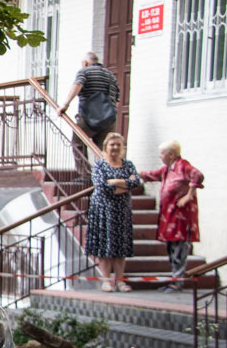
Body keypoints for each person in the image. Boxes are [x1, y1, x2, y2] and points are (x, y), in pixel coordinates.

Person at [138, 140, 204, 292]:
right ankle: (175, 280)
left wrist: (189, 196)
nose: (160, 156)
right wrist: (136, 173)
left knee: (180, 250)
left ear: (171, 154)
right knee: (171, 248)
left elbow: (198, 175)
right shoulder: (168, 169)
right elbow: (153, 175)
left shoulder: (183, 166)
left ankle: (177, 283)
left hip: (182, 219)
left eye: (162, 153)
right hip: (169, 217)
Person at [84, 133, 142, 292]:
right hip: (103, 210)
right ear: (105, 147)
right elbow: (102, 186)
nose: (115, 147)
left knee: (120, 247)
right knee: (105, 246)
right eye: (112, 145)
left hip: (122, 210)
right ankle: (106, 281)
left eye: (118, 144)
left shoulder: (128, 164)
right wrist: (125, 185)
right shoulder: (100, 165)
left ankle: (121, 281)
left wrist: (115, 182)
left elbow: (136, 182)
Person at [58, 52, 120, 174]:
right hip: (109, 118)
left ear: (85, 63)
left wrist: (65, 105)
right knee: (104, 148)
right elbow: (116, 100)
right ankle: (106, 175)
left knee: (78, 142)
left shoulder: (84, 71)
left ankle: (85, 174)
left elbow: (78, 84)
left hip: (88, 116)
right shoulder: (111, 75)